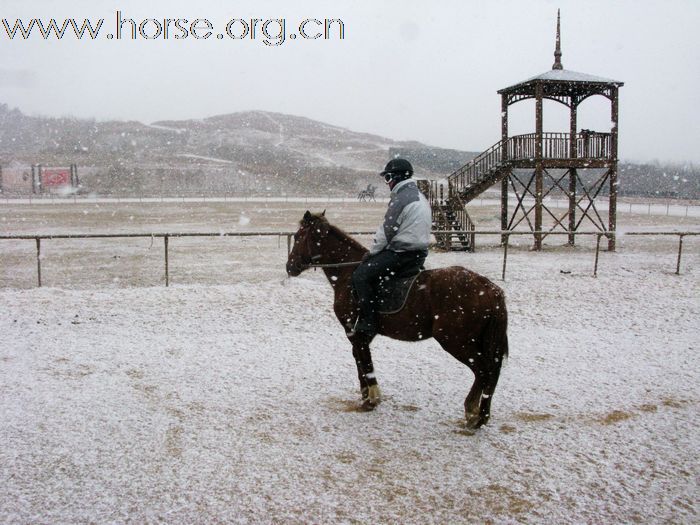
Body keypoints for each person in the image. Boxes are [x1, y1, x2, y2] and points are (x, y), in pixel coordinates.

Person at [350, 158, 432, 337]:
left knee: (360, 275)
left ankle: (368, 322)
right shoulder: (420, 196)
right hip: (419, 254)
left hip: (402, 253)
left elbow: (387, 232)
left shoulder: (401, 198)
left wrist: (371, 254)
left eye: (387, 178)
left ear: (396, 177)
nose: (387, 183)